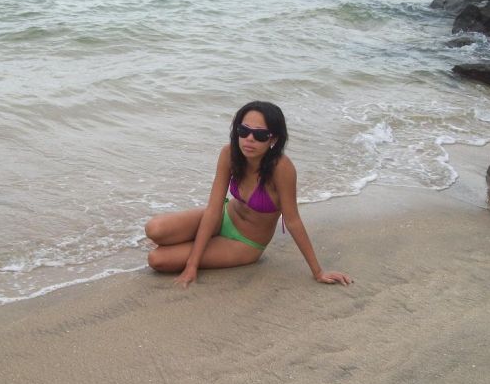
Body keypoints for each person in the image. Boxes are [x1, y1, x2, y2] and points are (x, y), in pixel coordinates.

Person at [145, 101, 352, 288]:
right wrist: (192, 263)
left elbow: (293, 221)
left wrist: (318, 272)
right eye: (243, 131)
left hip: (244, 242)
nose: (249, 139)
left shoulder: (282, 168)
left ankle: (186, 247)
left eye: (260, 135)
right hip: (224, 217)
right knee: (154, 229)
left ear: (273, 139)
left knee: (157, 259)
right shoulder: (229, 154)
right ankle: (187, 245)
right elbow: (214, 209)